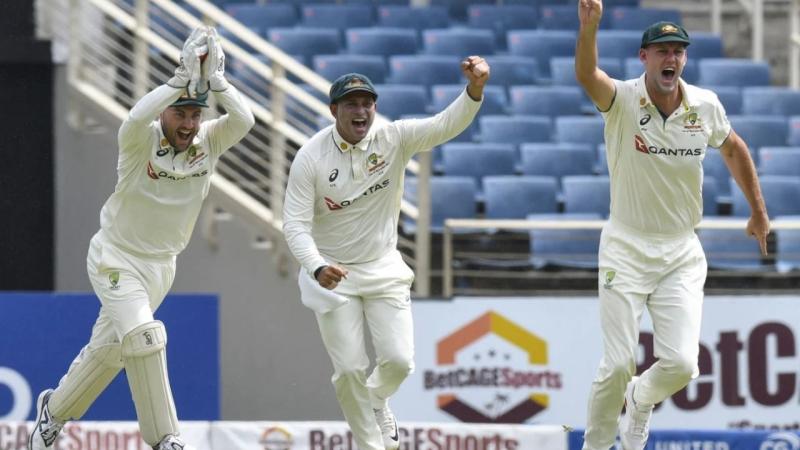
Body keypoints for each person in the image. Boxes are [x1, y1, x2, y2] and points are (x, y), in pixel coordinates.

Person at [28, 26, 254, 450]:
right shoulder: (140, 140)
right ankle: (165, 437)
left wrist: (218, 81)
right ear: (164, 111)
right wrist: (178, 81)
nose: (189, 124)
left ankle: (52, 411)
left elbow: (245, 120)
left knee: (111, 351)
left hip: (161, 267)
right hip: (116, 258)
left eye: (195, 115)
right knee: (146, 336)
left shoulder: (209, 142)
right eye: (180, 113)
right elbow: (134, 117)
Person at [575, 1, 771, 449]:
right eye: (662, 51)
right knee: (618, 363)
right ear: (644, 57)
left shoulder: (705, 105)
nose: (672, 58)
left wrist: (758, 211)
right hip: (626, 246)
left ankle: (641, 398)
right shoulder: (623, 99)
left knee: (683, 365)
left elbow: (734, 148)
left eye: (678, 51)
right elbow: (587, 74)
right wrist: (590, 29)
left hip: (681, 251)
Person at [282, 57, 490, 450]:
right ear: (334, 110)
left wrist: (474, 90)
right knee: (349, 370)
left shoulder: (393, 138)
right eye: (351, 104)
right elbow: (294, 224)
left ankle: (377, 399)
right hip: (333, 273)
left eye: (367, 103)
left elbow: (444, 125)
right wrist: (317, 266)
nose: (360, 111)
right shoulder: (311, 157)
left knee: (399, 362)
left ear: (375, 107)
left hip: (383, 267)